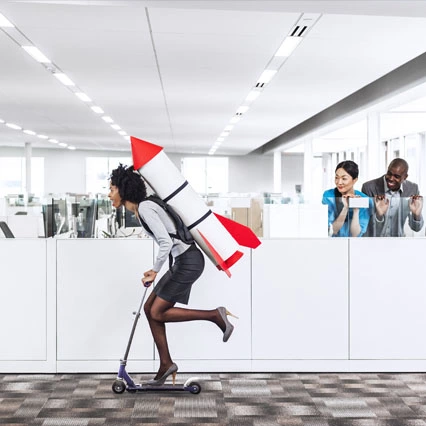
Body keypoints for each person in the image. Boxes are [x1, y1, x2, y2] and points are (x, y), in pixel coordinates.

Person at [108, 164, 237, 386]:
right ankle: (166, 364)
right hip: (183, 261)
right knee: (150, 310)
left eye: (111, 189)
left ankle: (216, 315)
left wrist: (155, 271)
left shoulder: (146, 208)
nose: (109, 194)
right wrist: (154, 270)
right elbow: (168, 240)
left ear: (123, 189)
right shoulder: (143, 209)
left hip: (188, 262)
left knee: (157, 311)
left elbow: (166, 242)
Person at [361, 158, 423, 237]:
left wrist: (416, 215)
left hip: (397, 242)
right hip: (373, 242)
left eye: (396, 176)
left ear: (405, 177)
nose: (390, 178)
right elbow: (365, 225)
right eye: (389, 173)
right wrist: (379, 215)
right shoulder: (369, 187)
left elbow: (416, 229)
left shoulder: (412, 188)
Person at [322, 160, 371, 237]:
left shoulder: (365, 200)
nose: (339, 182)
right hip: (332, 243)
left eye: (344, 178)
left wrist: (356, 211)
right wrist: (345, 208)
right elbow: (331, 230)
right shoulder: (329, 196)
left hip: (353, 245)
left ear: (354, 180)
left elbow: (355, 234)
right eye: (336, 178)